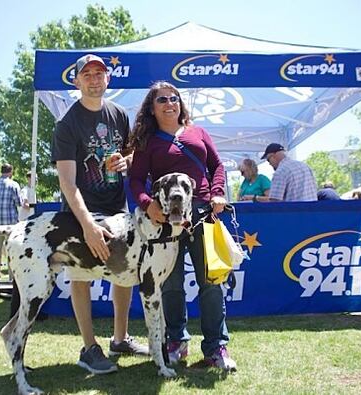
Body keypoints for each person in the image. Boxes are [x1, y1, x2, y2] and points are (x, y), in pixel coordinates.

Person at [51, 54, 148, 375]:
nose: (94, 79)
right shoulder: (67, 124)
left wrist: (127, 160)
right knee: (81, 275)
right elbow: (66, 181)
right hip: (81, 212)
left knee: (126, 272)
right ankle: (88, 347)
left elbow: (134, 154)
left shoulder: (119, 114)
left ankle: (120, 339)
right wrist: (88, 225)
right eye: (87, 74)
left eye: (100, 73)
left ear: (108, 79)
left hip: (117, 207)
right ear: (76, 81)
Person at [129, 81, 236, 371]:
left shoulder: (198, 132)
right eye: (161, 99)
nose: (169, 103)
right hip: (165, 220)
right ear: (152, 108)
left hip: (203, 214)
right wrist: (146, 203)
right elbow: (136, 179)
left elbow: (217, 166)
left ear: (180, 103)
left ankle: (216, 348)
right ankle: (176, 341)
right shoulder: (147, 141)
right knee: (171, 285)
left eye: (173, 98)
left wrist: (217, 192)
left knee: (211, 283)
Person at [0, 163, 23, 281]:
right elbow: (19, 203)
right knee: (10, 251)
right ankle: (12, 278)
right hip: (9, 223)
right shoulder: (13, 185)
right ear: (11, 172)